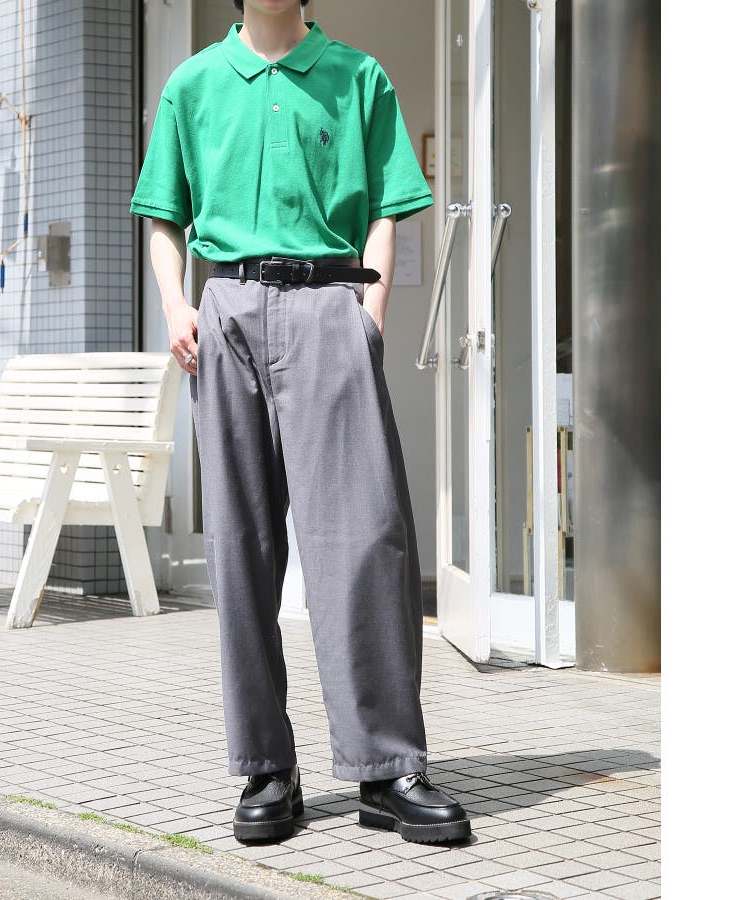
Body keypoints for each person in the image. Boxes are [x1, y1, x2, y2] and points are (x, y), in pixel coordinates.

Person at [129, 0, 471, 846]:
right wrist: (175, 303)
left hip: (331, 303)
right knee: (240, 546)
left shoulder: (357, 76)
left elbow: (388, 204)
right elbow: (162, 214)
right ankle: (266, 769)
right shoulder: (193, 84)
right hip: (229, 309)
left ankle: (387, 768)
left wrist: (371, 311)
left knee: (366, 537)